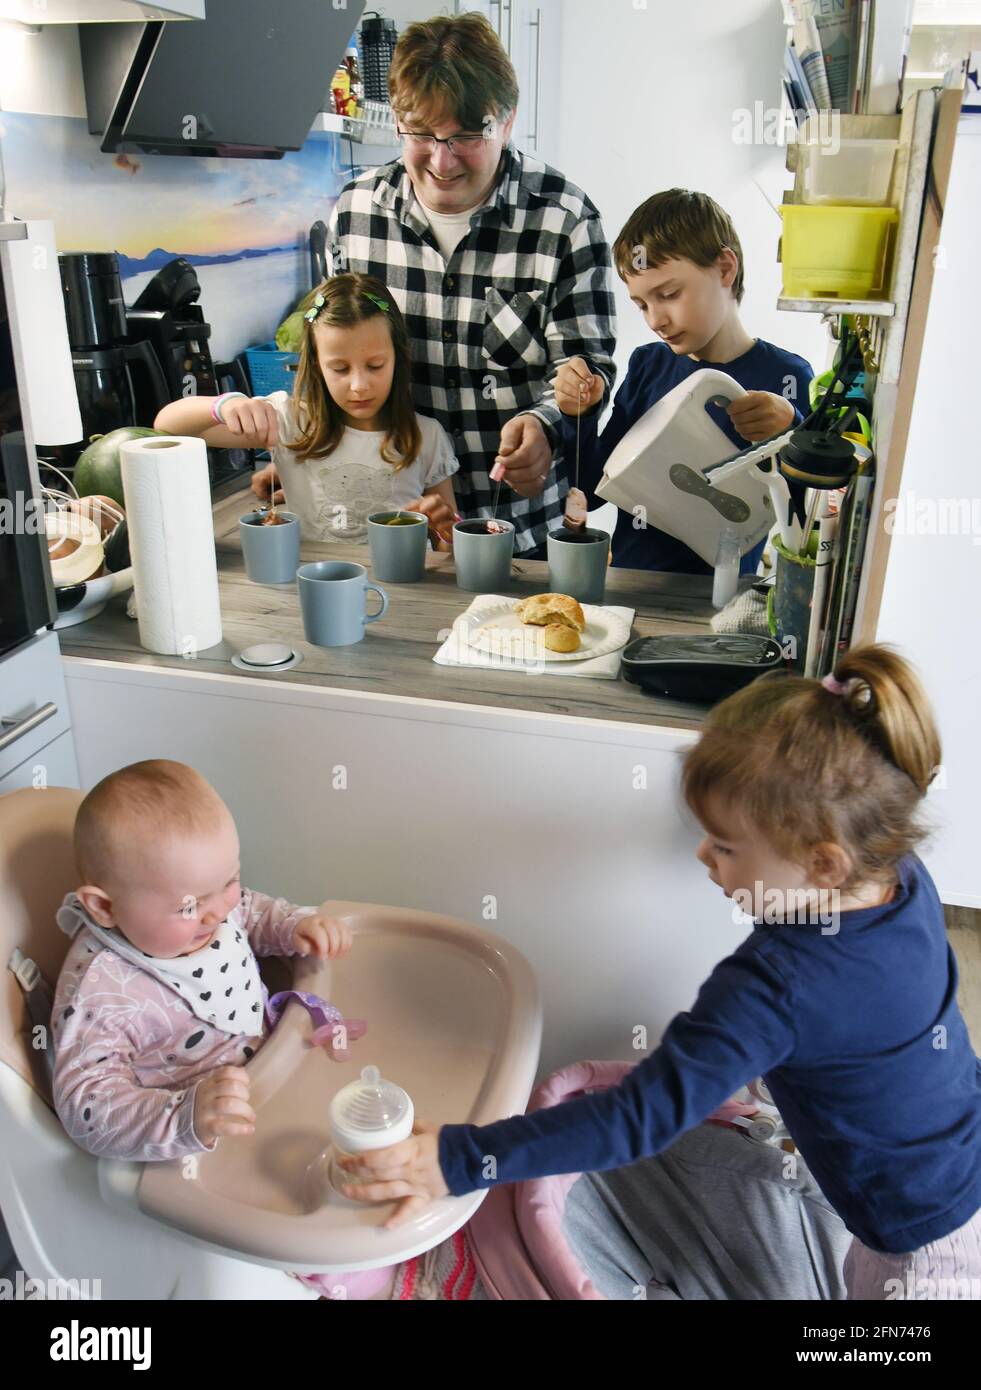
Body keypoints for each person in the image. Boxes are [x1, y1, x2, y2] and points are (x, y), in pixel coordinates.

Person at [339, 646, 981, 1301]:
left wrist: (458, 1160)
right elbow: (871, 1009)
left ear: (822, 865)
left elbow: (636, 1119)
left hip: (920, 1258)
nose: (703, 856)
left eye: (725, 846)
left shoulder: (772, 985)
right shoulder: (898, 876)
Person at [266, 11, 617, 558]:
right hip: (397, 534)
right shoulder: (357, 214)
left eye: (465, 136)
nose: (442, 158)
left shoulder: (564, 219)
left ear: (505, 120)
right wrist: (299, 460)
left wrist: (547, 428)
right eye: (422, 135)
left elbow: (587, 369)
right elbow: (334, 355)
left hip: (521, 532)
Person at [50, 760, 368, 1298]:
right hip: (199, 1136)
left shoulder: (209, 905)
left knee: (350, 1134)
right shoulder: (103, 992)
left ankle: (344, 1238)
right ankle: (314, 1266)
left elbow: (251, 912)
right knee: (300, 1202)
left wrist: (295, 925)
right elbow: (86, 1108)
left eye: (230, 879)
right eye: (192, 905)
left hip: (269, 1071)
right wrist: (184, 1115)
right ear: (104, 907)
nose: (220, 910)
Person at [556, 189, 814, 574]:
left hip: (721, 601)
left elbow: (803, 513)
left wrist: (790, 430)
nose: (655, 320)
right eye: (642, 304)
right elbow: (593, 489)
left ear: (726, 269)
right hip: (631, 585)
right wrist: (579, 416)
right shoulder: (647, 365)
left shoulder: (787, 377)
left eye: (669, 294)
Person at [155, 273, 458, 546]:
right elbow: (166, 427)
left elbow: (449, 548)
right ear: (315, 365)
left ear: (398, 357)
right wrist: (225, 405)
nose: (358, 385)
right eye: (339, 369)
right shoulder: (290, 421)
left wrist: (442, 527)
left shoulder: (426, 436)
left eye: (375, 366)